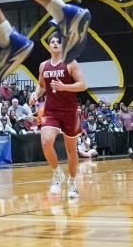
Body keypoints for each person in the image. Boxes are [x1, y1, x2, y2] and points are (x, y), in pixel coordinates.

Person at [28, 31, 86, 199]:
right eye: (51, 41)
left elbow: (82, 85)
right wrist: (35, 94)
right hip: (51, 110)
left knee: (71, 149)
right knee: (46, 142)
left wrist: (64, 87)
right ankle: (57, 173)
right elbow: (41, 86)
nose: (54, 43)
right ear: (49, 45)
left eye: (57, 42)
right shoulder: (43, 65)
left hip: (70, 110)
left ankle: (73, 183)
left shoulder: (71, 63)